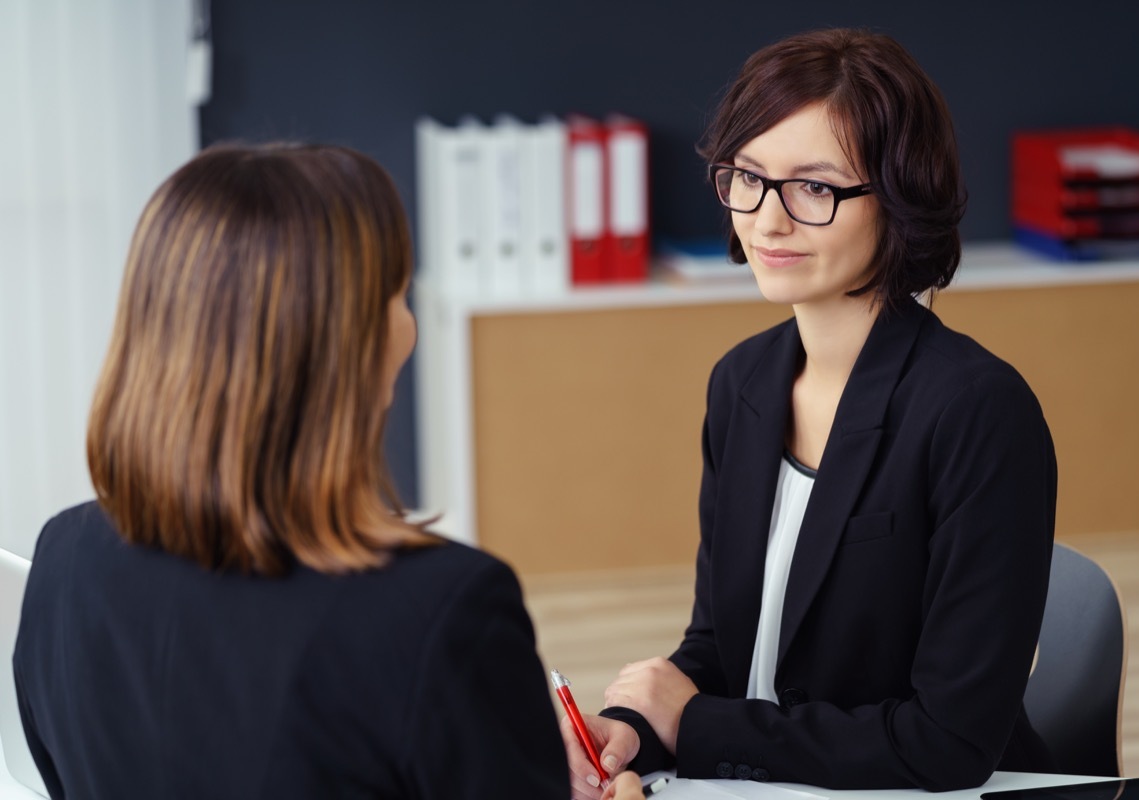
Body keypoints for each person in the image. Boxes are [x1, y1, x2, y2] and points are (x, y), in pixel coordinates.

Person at [13, 143, 644, 800]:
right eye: (400, 296)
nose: (410, 328)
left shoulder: (63, 559)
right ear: (348, 346)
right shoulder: (443, 612)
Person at [561, 28, 1058, 796]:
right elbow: (722, 652)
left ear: (899, 198)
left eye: (815, 188)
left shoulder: (977, 411)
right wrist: (629, 734)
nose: (766, 220)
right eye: (748, 178)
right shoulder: (743, 383)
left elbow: (947, 743)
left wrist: (694, 724)